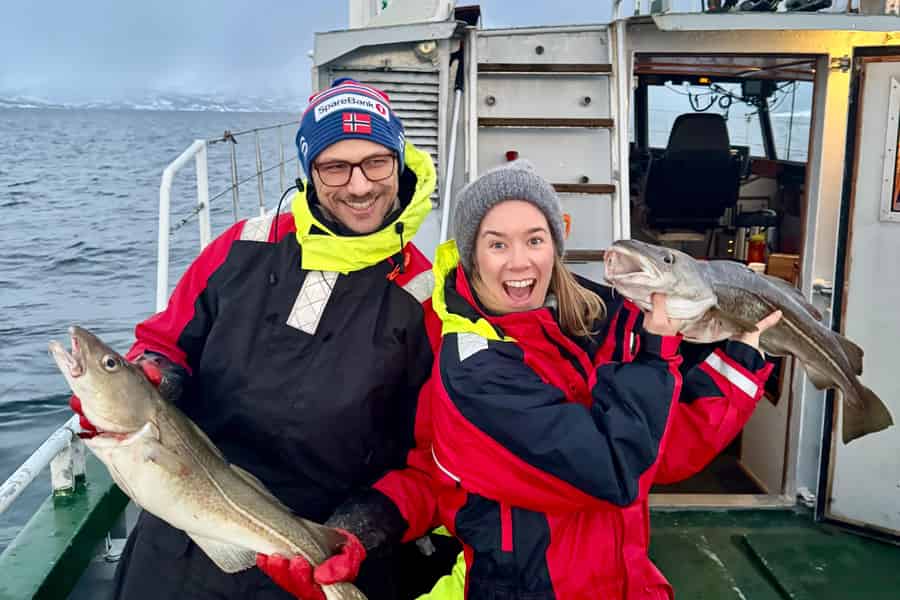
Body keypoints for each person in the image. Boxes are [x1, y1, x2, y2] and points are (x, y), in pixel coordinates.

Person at [264, 160, 781, 600]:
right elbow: (614, 470)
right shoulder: (476, 369)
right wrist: (654, 355)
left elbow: (660, 452)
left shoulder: (585, 329)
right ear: (471, 256)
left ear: (555, 245)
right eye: (496, 244)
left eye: (535, 239)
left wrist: (737, 363)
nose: (519, 261)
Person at [69, 77, 450, 599]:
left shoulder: (427, 301)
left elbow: (437, 460)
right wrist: (152, 375)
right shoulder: (241, 246)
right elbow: (167, 342)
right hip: (186, 528)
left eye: (376, 162)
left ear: (399, 162)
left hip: (321, 561)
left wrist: (367, 527)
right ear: (309, 171)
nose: (359, 186)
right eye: (335, 166)